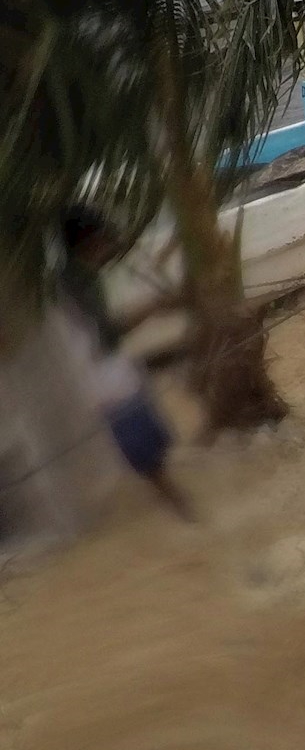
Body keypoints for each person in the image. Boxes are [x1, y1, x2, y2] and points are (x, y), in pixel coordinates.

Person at [57, 207, 194, 520]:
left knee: (152, 437)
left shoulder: (79, 277)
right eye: (104, 238)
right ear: (90, 241)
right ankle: (177, 505)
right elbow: (107, 330)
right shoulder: (75, 283)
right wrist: (154, 308)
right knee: (141, 443)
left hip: (110, 368)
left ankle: (172, 498)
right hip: (101, 374)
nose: (110, 245)